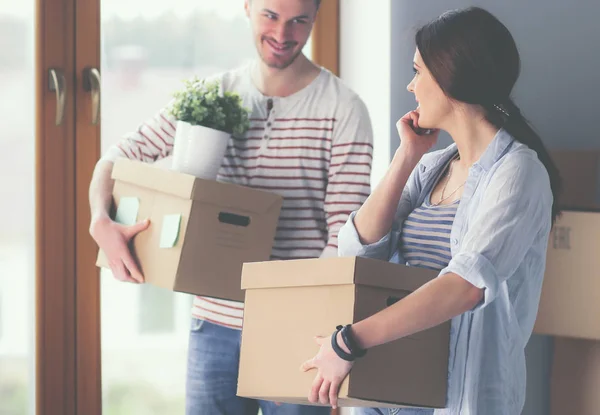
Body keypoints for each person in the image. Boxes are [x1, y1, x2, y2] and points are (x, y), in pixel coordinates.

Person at [88, 0, 374, 414]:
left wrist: (301, 326)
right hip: (213, 322)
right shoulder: (214, 95)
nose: (282, 34)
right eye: (270, 16)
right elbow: (116, 159)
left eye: (298, 21)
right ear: (247, 7)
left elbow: (344, 240)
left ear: (316, 18)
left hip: (294, 330)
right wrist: (101, 219)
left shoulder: (344, 109)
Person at [300, 6, 561, 415]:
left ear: (449, 76)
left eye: (419, 72)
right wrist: (406, 156)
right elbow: (357, 252)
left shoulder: (518, 173)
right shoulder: (431, 166)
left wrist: (349, 341)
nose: (410, 85)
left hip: (459, 398)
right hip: (387, 392)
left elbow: (465, 286)